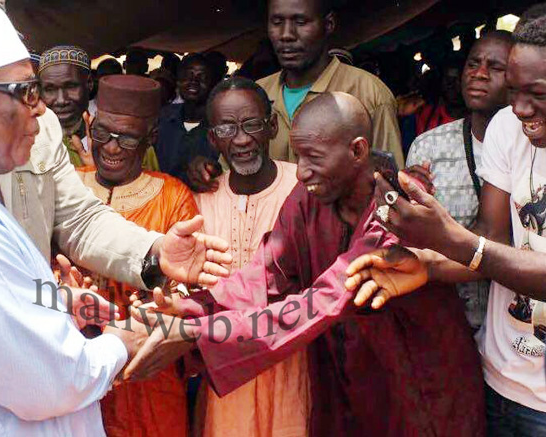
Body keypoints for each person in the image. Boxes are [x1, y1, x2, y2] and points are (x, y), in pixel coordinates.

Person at [0, 5, 232, 436]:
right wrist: (122, 340)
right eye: (25, 91)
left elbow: (75, 219)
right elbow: (50, 382)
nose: (41, 110)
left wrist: (56, 301)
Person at [129, 92, 485, 436]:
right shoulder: (306, 199)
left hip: (419, 379)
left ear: (358, 150)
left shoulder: (400, 205)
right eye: (298, 157)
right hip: (344, 382)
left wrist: (198, 331)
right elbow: (265, 275)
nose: (301, 173)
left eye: (313, 158)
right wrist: (189, 308)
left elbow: (330, 297)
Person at [348, 5, 546, 434]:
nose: (522, 109)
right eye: (513, 92)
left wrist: (448, 242)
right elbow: (492, 236)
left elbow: (479, 249)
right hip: (500, 375)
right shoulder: (506, 129)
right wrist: (427, 264)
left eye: (539, 94)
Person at [74, 74, 197, 437]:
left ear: (151, 138)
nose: (111, 148)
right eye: (102, 134)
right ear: (90, 127)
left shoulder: (173, 196)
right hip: (74, 366)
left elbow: (188, 289)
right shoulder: (67, 188)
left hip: (146, 371)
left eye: (126, 138)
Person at [194, 77, 309, 437]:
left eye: (251, 125)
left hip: (293, 359)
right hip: (226, 365)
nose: (241, 139)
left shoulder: (304, 187)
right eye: (227, 128)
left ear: (272, 126)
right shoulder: (200, 199)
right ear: (213, 139)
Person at [187, 0, 404, 192]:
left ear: (328, 24)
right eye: (277, 22)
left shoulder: (369, 94)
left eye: (300, 22)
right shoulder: (256, 95)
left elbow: (388, 185)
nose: (286, 34)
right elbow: (233, 171)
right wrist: (210, 172)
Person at [406, 31, 513, 330]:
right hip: (450, 320)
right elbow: (416, 234)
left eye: (495, 67)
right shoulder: (428, 146)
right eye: (473, 64)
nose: (479, 74)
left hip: (517, 325)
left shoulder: (531, 148)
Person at [155, 53, 219, 185]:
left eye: (202, 77)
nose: (193, 82)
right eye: (188, 76)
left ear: (212, 84)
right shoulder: (162, 117)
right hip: (163, 201)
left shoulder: (220, 125)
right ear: (178, 81)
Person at [38, 45, 92, 166]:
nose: (61, 100)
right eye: (50, 89)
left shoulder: (114, 143)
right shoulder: (30, 146)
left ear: (89, 84)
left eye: (71, 86)